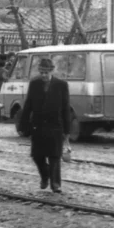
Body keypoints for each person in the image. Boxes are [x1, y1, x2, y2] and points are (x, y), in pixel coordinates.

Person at [17, 58, 71, 193]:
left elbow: (65, 108)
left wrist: (67, 130)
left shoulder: (61, 85)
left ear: (52, 71)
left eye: (46, 72)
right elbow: (28, 104)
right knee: (37, 155)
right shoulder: (34, 84)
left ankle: (55, 184)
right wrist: (23, 125)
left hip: (55, 126)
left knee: (54, 156)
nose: (43, 75)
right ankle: (45, 175)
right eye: (41, 72)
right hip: (38, 126)